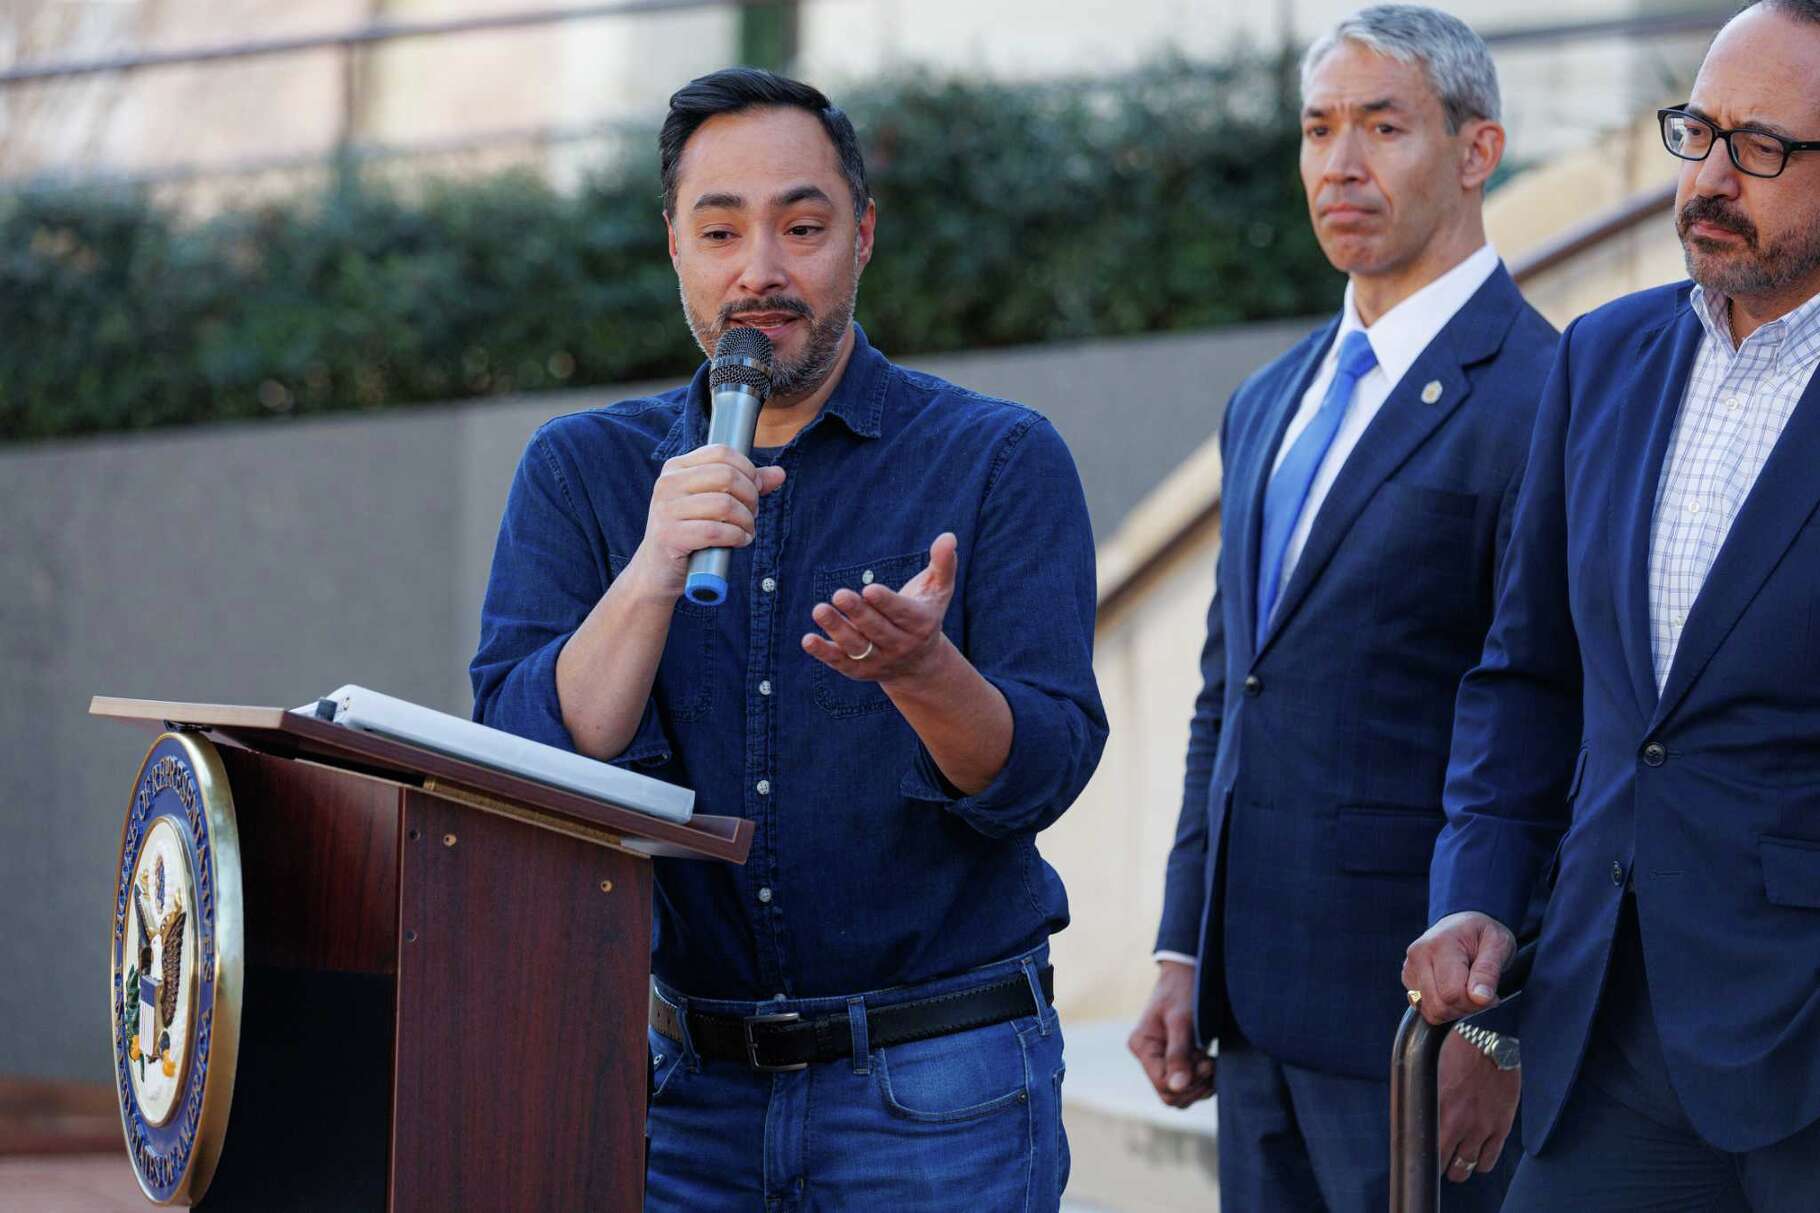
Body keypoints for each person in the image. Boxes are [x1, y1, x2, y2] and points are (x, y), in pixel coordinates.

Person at [470, 68, 1105, 1211]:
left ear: (861, 236)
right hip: (679, 1099)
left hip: (938, 1093)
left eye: (801, 225)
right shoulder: (582, 473)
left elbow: (1044, 768)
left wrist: (923, 672)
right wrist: (653, 567)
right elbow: (521, 760)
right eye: (720, 229)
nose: (758, 269)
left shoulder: (998, 458)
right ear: (674, 245)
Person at [1128, 7, 1558, 1209]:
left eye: (1382, 125)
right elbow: (1232, 695)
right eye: (1317, 129)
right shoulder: (1266, 401)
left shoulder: (1548, 394)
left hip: (1418, 1023)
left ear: (1476, 152)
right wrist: (1179, 949)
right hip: (1249, 1014)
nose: (1338, 164)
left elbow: (1550, 720)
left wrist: (1499, 1025)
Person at [1402, 2, 1820, 1208]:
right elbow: (1525, 676)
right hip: (1601, 1027)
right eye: (1696, 132)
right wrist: (1476, 893)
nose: (1706, 177)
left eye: (1761, 149)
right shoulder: (1601, 357)